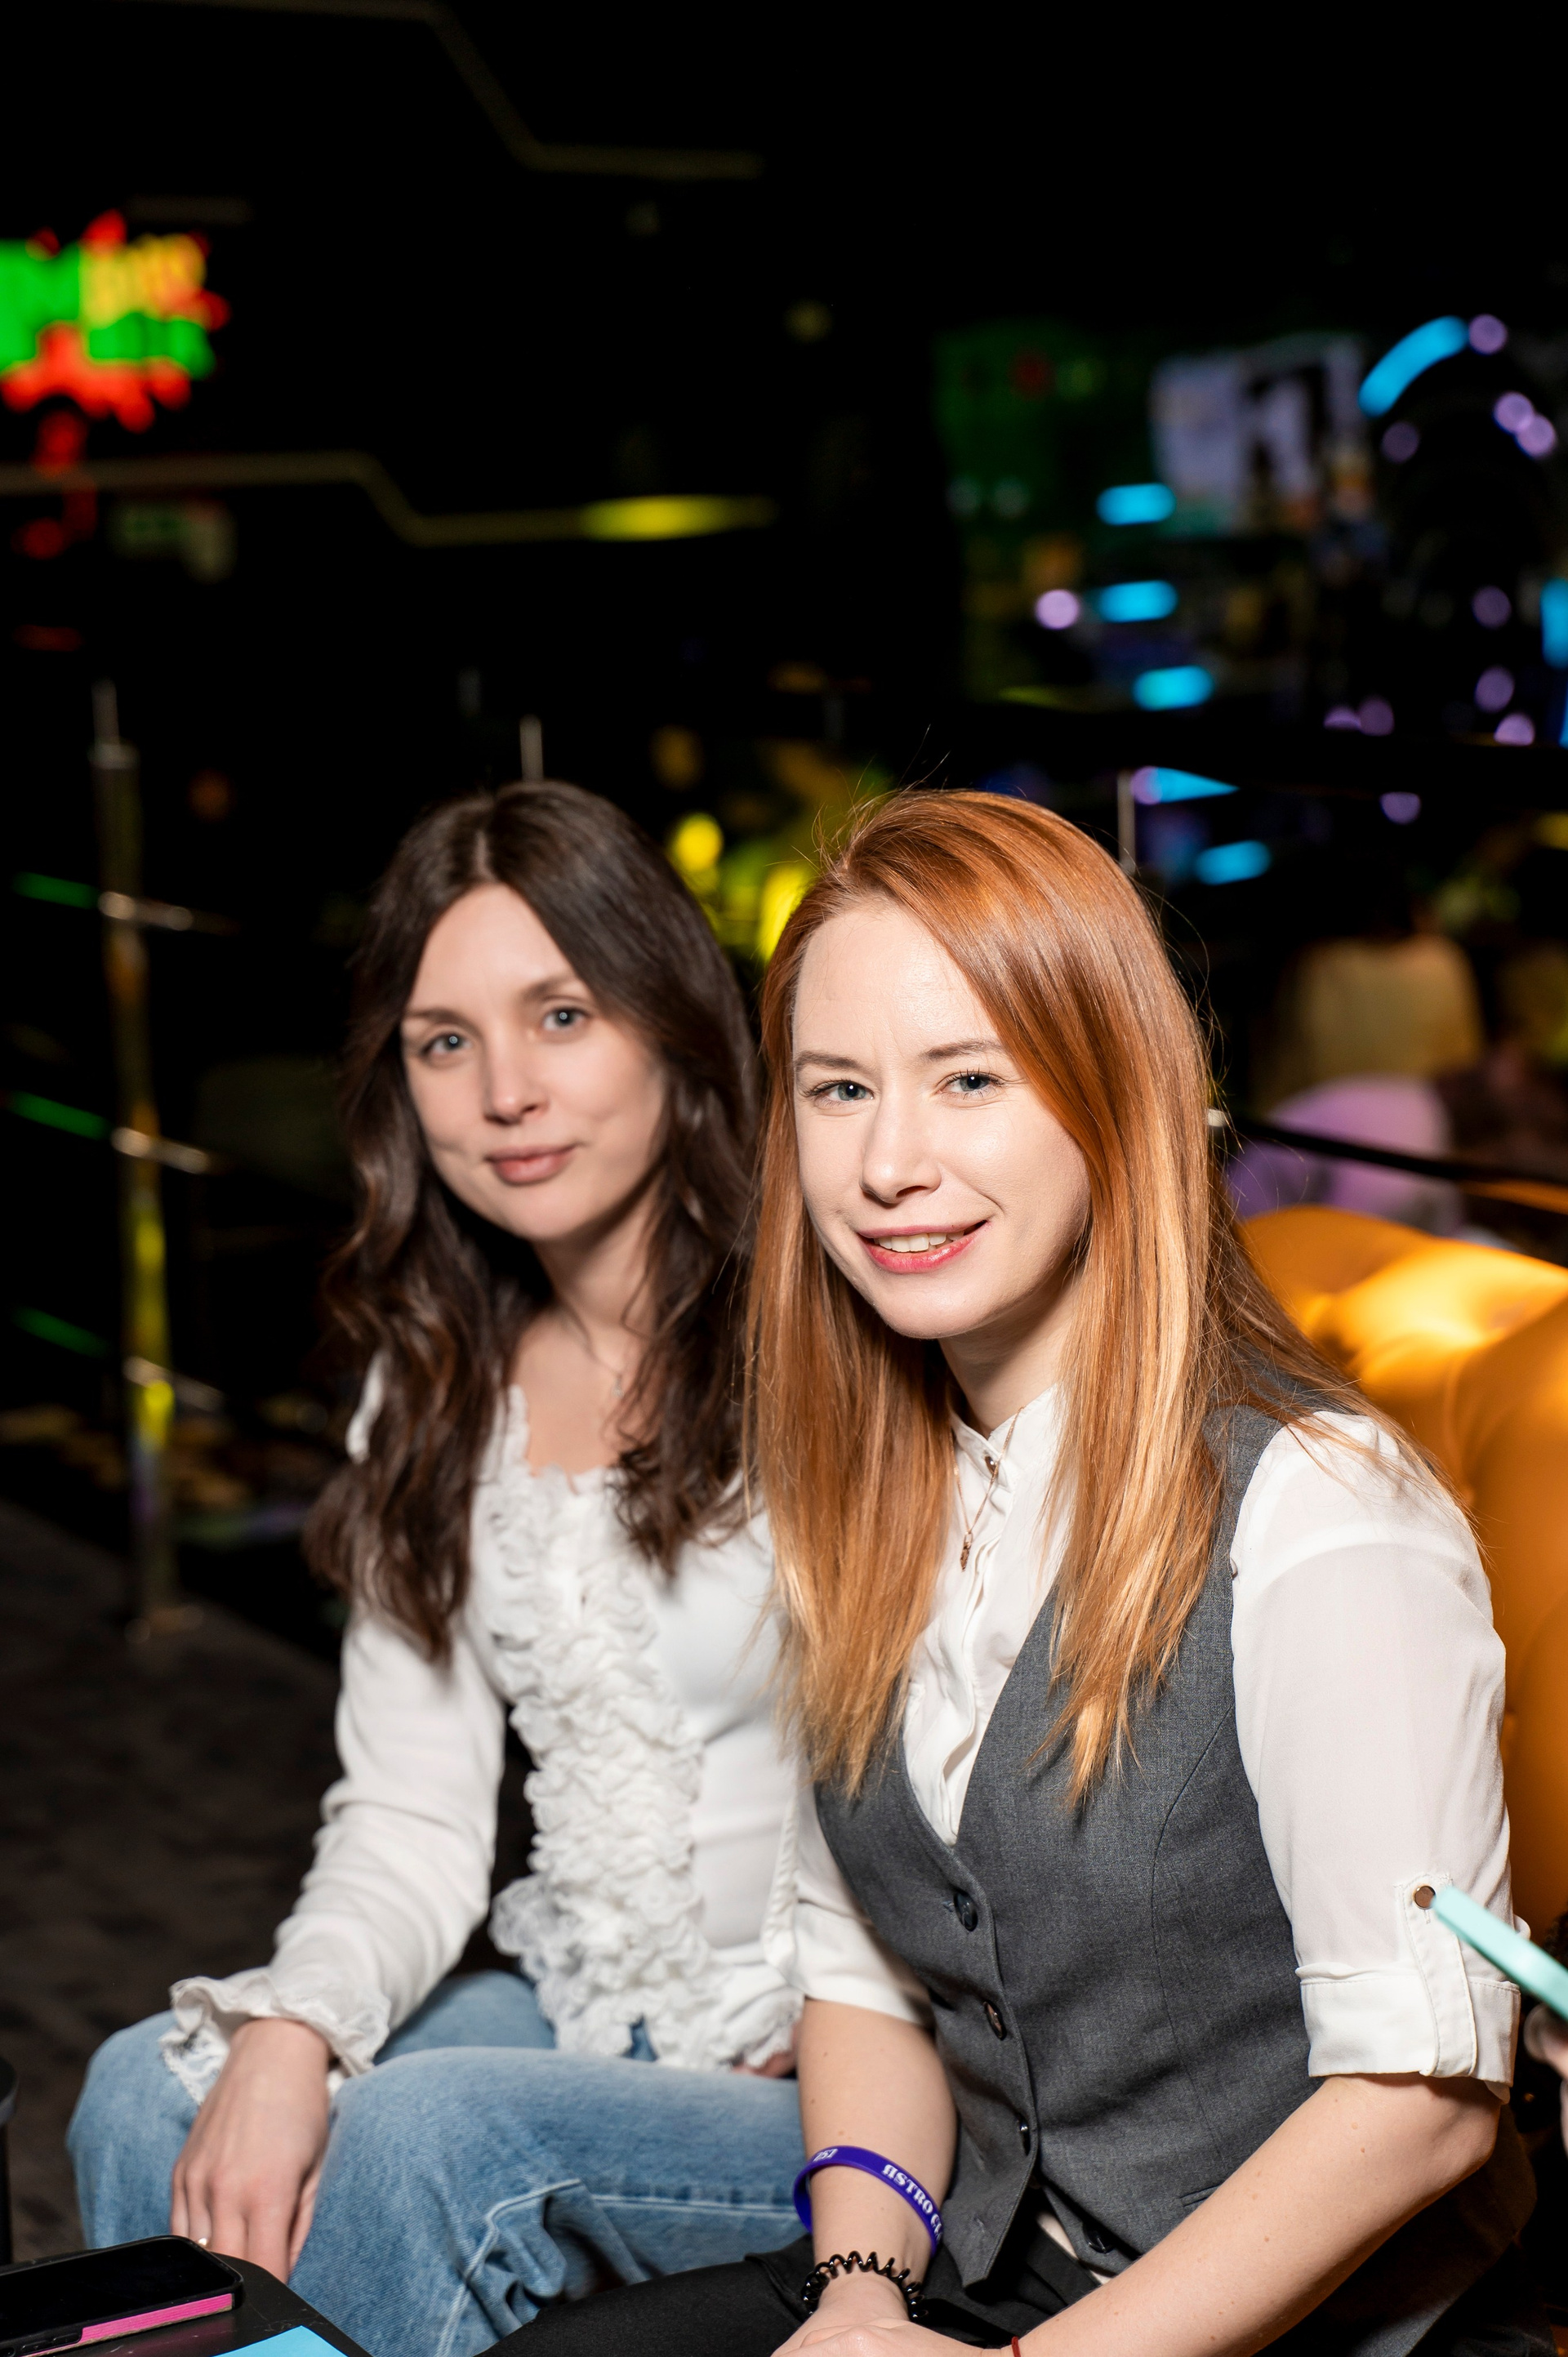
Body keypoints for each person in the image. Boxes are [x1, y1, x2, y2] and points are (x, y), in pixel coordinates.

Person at [510, 788, 1547, 2357]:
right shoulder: (871, 1488)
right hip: (1010, 2268)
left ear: (1112, 1097)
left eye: (969, 1078)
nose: (889, 1160)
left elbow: (1419, 2109)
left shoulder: (1324, 1514)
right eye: (840, 1088)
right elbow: (867, 1974)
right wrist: (861, 2299)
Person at [69, 781, 805, 2357]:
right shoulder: (438, 1377)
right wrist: (290, 2032)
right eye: (445, 1041)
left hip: (826, 2071)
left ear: (673, 1024)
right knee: (148, 2085)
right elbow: (409, 1811)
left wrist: (852, 2013)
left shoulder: (823, 1343)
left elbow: (951, 1759)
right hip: (590, 2015)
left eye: (561, 1015)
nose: (506, 1092)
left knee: (432, 2138)